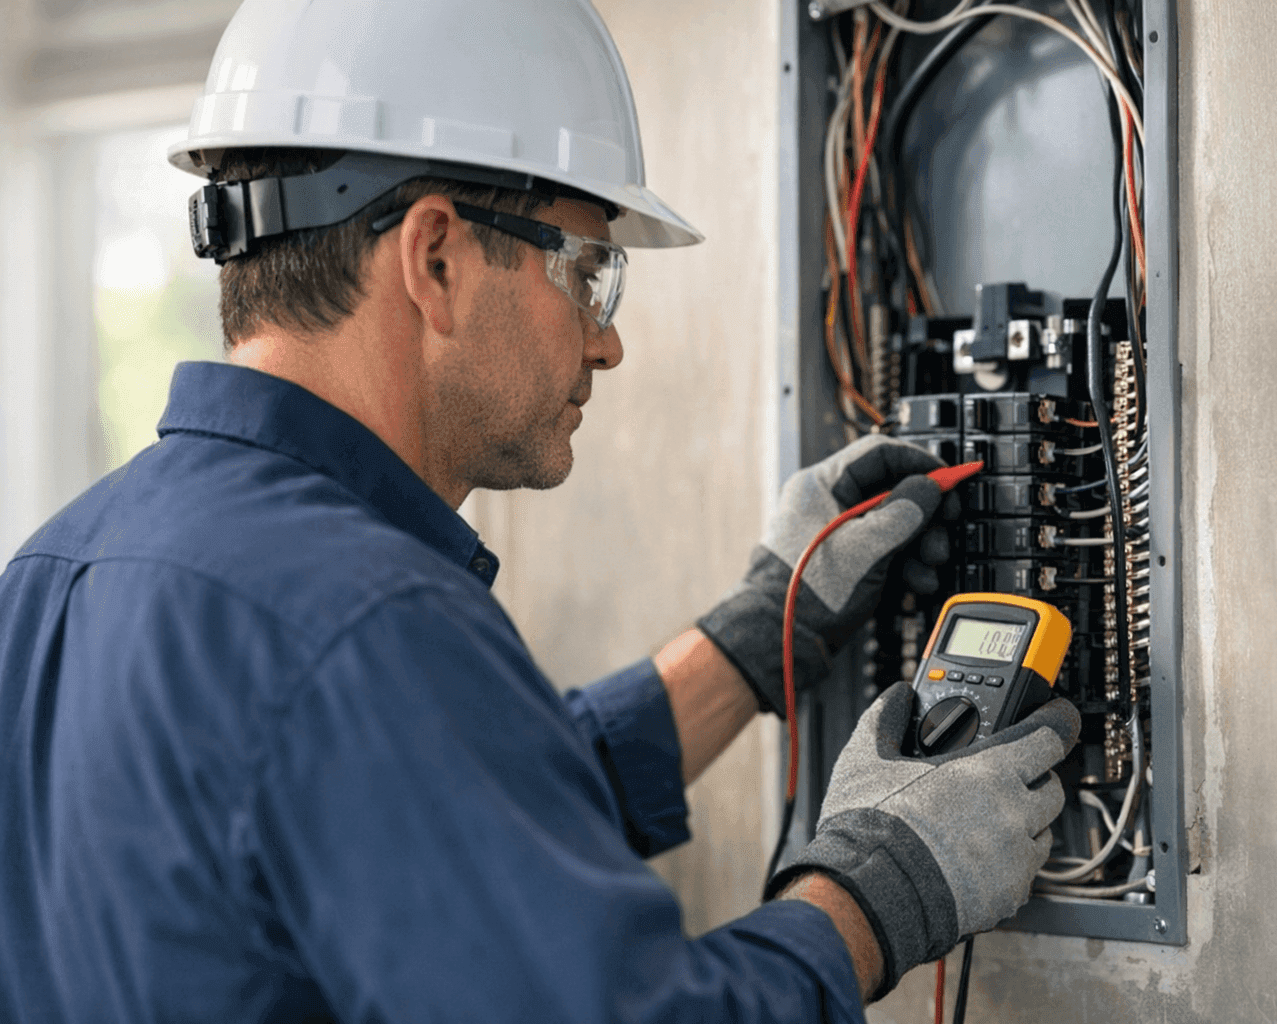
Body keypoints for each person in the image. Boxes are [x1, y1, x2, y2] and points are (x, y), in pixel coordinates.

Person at [0, 2, 1077, 1021]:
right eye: (590, 272)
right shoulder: (366, 621)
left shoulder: (48, 582)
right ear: (436, 259)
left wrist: (755, 636)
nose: (606, 340)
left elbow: (418, 837)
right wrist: (873, 889)